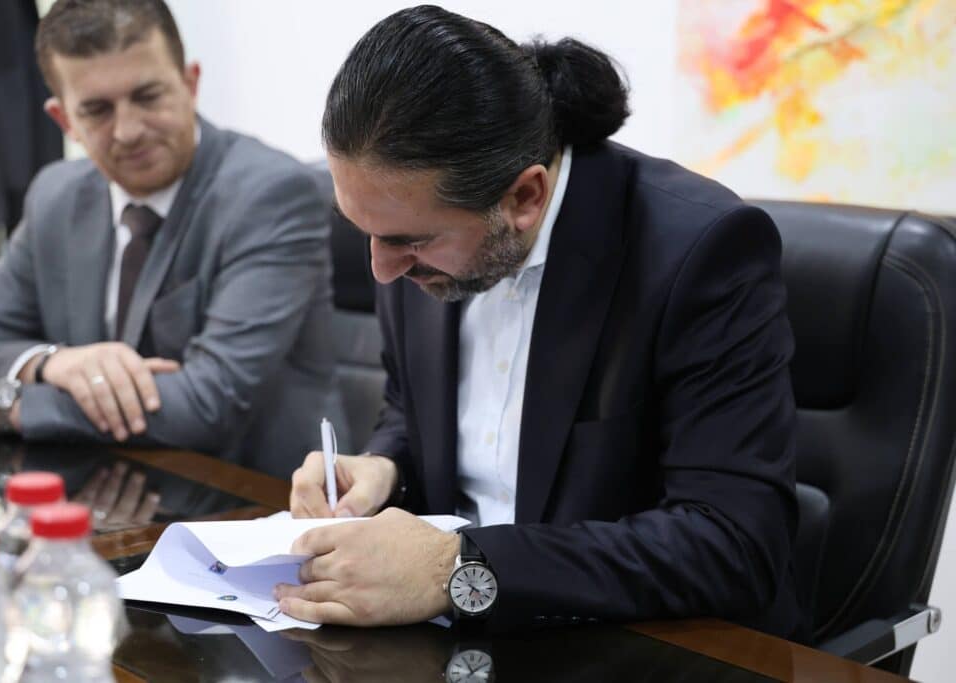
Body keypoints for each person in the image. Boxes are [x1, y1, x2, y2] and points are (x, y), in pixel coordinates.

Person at [284, 5, 804, 639]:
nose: (382, 270)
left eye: (409, 242)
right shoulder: (413, 224)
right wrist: (385, 469)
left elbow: (734, 544)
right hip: (458, 642)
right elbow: (410, 412)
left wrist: (456, 568)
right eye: (363, 231)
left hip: (643, 647)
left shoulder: (700, 252)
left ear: (525, 197)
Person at [0, 0, 345, 478]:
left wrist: (6, 404)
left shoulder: (271, 194)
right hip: (111, 490)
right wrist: (50, 363)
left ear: (190, 84)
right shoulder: (57, 196)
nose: (128, 131)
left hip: (260, 499)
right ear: (64, 120)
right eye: (97, 110)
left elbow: (208, 403)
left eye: (148, 97)